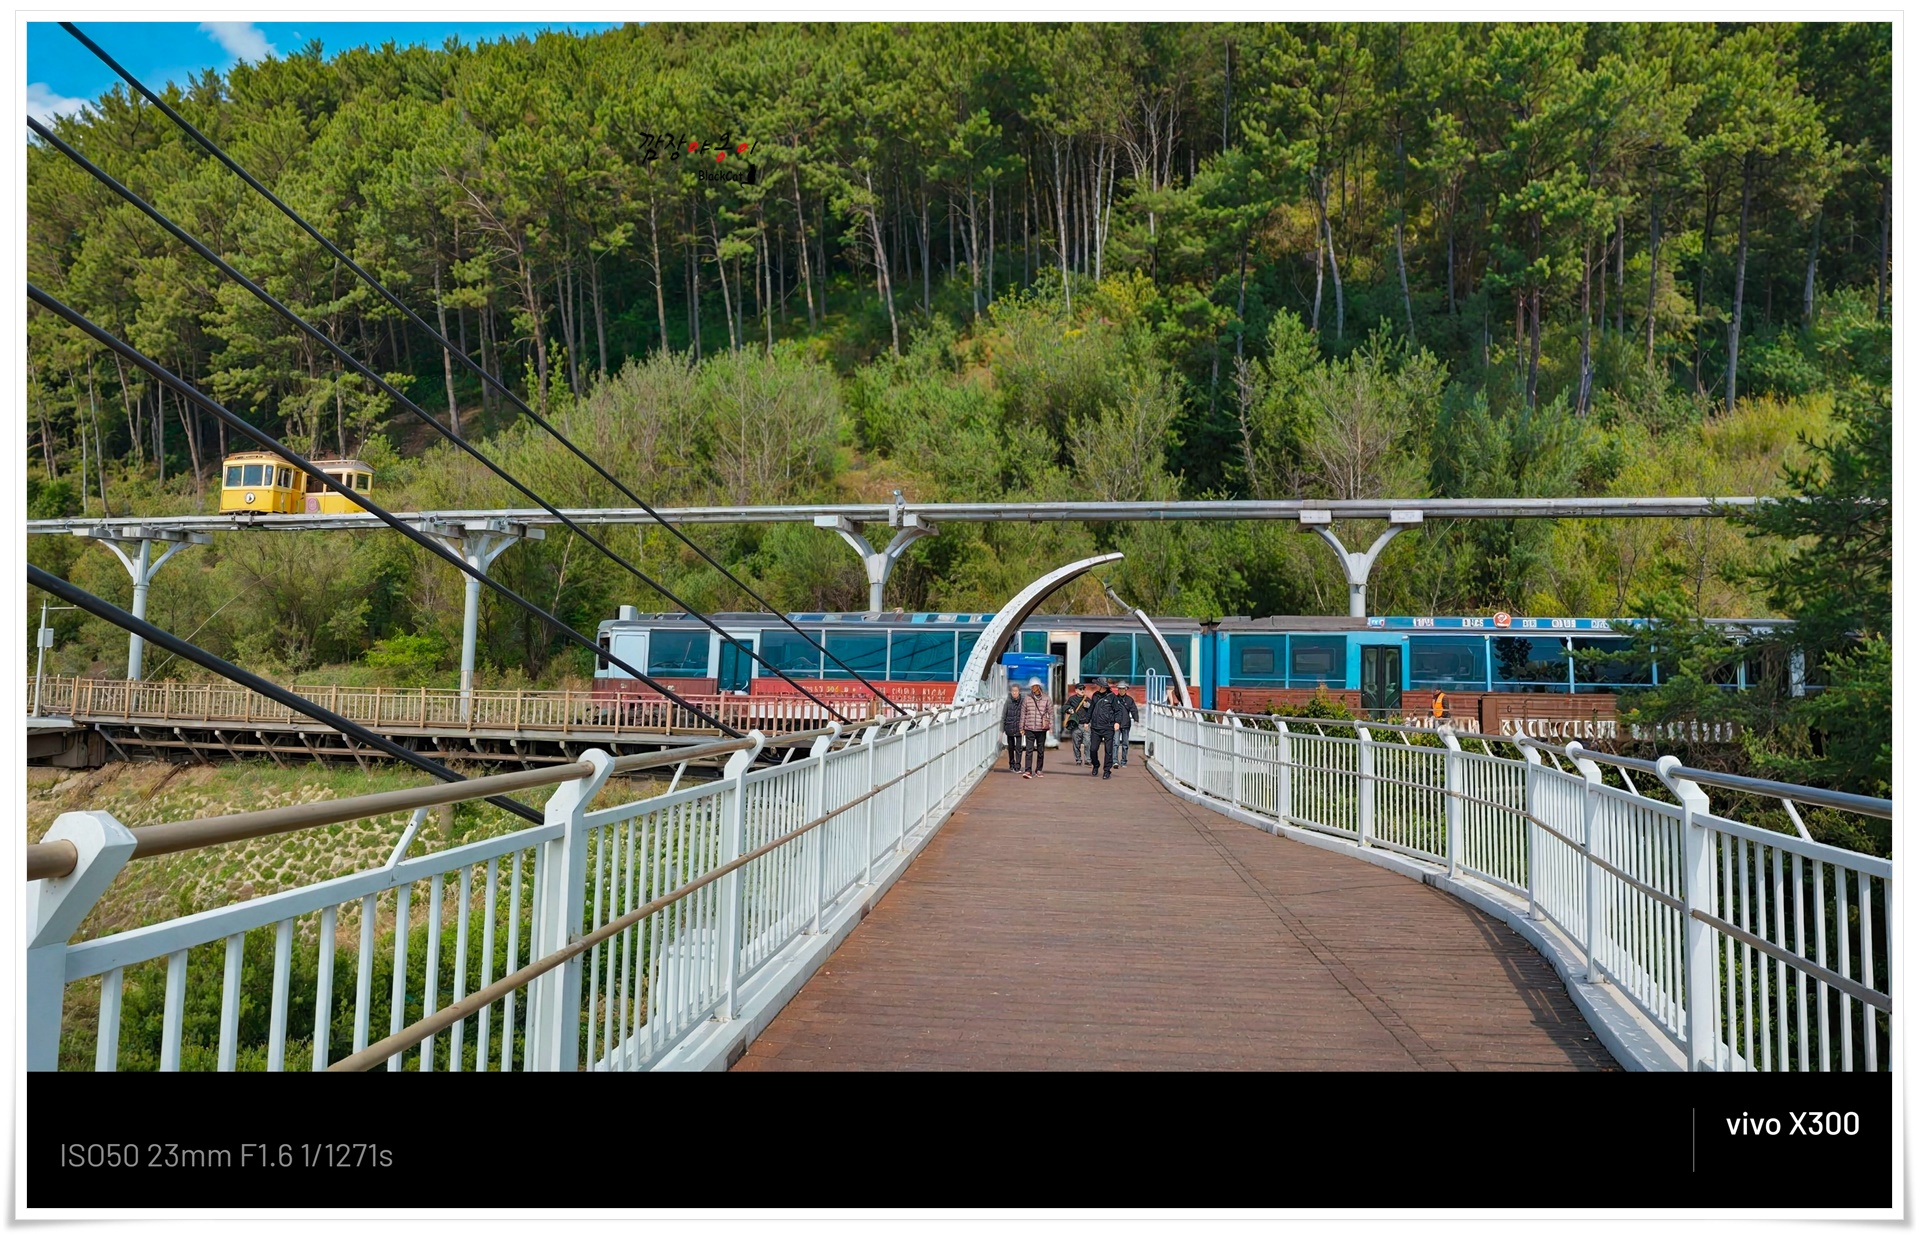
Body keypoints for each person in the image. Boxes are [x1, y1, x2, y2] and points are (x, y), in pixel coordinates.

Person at [1087, 678, 1121, 780]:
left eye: (1097, 684)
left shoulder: (1112, 697)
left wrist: (1117, 722)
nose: (1096, 686)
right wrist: (1086, 721)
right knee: (1093, 749)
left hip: (1108, 727)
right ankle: (1096, 765)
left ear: (1102, 686)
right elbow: (1091, 709)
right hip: (1096, 727)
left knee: (1108, 750)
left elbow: (1118, 711)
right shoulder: (1095, 695)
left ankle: (1107, 771)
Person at [1018, 678, 1052, 778]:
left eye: (1035, 686)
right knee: (1029, 750)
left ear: (1038, 686)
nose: (1033, 688)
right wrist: (1021, 727)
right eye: (1032, 686)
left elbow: (1051, 713)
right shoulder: (1027, 698)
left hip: (1041, 729)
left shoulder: (1046, 698)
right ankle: (1028, 770)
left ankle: (1039, 769)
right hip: (1029, 728)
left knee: (1040, 750)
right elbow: (1023, 714)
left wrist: (1051, 727)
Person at [1064, 681, 1092, 764]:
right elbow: (1065, 707)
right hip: (1076, 724)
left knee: (1087, 742)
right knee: (1076, 743)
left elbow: (1093, 709)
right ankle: (1078, 759)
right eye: (1080, 689)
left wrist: (1088, 706)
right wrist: (1069, 709)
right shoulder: (1072, 699)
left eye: (1083, 689)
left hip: (1085, 724)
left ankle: (1087, 759)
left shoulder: (1087, 699)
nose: (1082, 690)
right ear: (1076, 690)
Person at [1001, 681, 1024, 773]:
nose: (1014, 692)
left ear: (1019, 692)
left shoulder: (1023, 702)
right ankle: (1011, 763)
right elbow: (1004, 715)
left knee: (1019, 747)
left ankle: (1017, 766)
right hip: (1009, 727)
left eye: (1016, 691)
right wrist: (1001, 729)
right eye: (1013, 691)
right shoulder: (1008, 701)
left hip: (1019, 727)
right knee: (1011, 747)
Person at [1114, 682, 1139, 767]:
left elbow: (1134, 710)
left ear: (1126, 689)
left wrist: (1136, 719)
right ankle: (1115, 761)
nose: (1121, 690)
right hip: (1116, 724)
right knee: (1116, 743)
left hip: (1126, 724)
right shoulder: (1114, 699)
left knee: (1125, 744)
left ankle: (1124, 761)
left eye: (1123, 689)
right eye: (1120, 689)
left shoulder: (1129, 700)